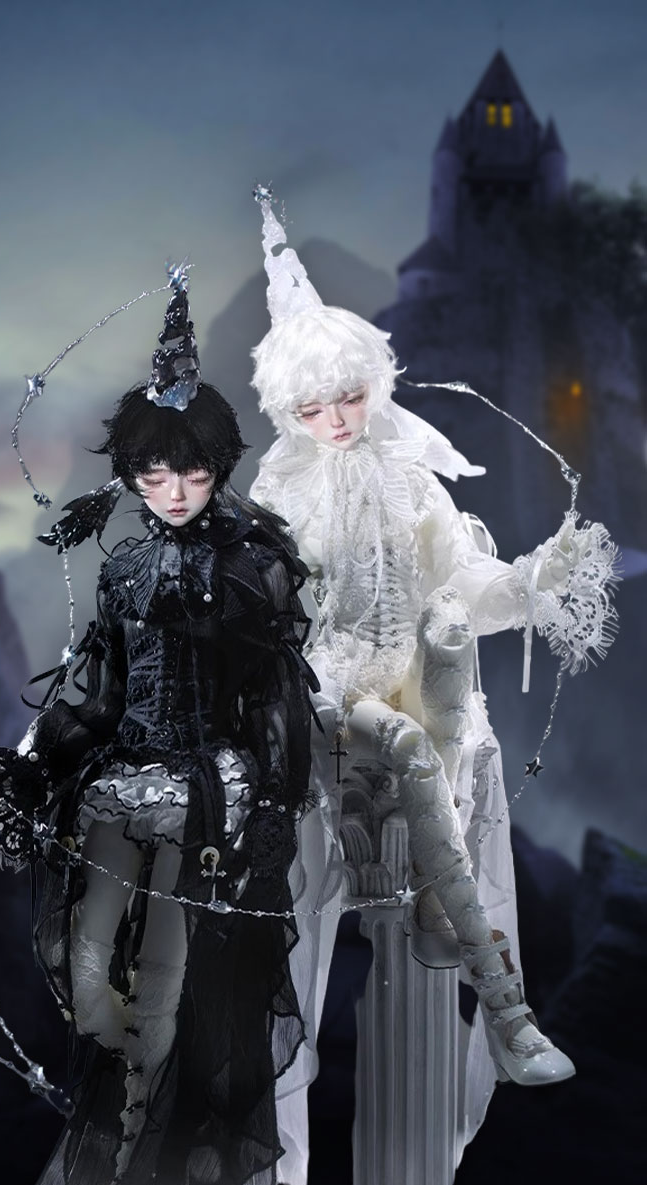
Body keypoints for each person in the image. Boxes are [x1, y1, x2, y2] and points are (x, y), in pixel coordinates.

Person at [0, 270, 317, 1185]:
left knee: (157, 990)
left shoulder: (254, 567)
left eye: (190, 473)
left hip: (207, 798)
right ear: (132, 475)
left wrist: (270, 806)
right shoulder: (122, 569)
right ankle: (127, 1128)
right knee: (86, 981)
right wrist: (26, 773)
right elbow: (94, 692)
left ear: (216, 469)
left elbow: (279, 698)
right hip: (115, 789)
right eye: (153, 474)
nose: (172, 491)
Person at [249, 190, 617, 1092]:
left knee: (444, 688)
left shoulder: (413, 481)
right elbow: (261, 617)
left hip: (416, 674)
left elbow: (462, 584)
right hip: (327, 688)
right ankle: (509, 1011)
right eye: (315, 407)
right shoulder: (277, 498)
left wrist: (533, 579)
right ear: (290, 410)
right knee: (411, 753)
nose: (338, 419)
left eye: (350, 397)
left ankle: (451, 935)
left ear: (373, 386)